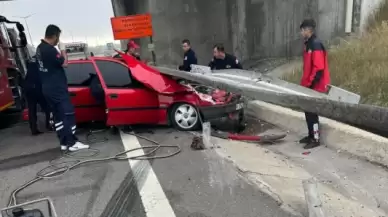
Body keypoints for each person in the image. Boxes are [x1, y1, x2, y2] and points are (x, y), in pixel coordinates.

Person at [36, 24, 89, 152]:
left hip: (47, 88)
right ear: (54, 36)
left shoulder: (39, 48)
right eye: (58, 37)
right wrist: (63, 50)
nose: (58, 40)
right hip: (57, 88)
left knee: (58, 116)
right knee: (67, 114)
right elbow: (65, 63)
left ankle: (64, 142)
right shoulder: (50, 50)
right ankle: (72, 142)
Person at [298, 19, 331, 149]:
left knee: (312, 113)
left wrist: (310, 85)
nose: (301, 33)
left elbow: (318, 68)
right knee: (308, 111)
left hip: (315, 85)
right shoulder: (308, 44)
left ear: (308, 30)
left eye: (302, 30)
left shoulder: (315, 44)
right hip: (308, 84)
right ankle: (311, 135)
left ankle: (315, 138)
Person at [24, 55, 52, 135]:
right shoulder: (40, 66)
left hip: (29, 90)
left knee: (32, 110)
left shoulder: (30, 66)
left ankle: (33, 129)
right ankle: (48, 125)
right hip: (37, 90)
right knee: (47, 108)